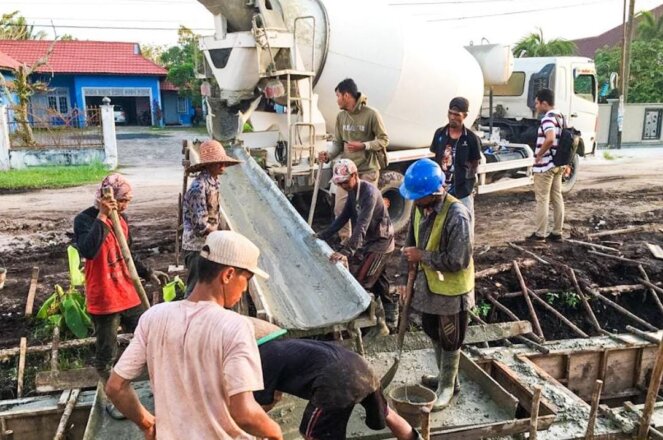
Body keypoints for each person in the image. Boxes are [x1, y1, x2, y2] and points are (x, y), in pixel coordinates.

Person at [105, 231, 283, 440]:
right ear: (228, 275)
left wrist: (146, 423)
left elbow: (115, 387)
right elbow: (244, 414)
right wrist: (276, 434)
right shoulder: (234, 326)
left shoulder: (154, 316)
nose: (244, 289)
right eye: (247, 279)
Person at [73, 174, 168, 384]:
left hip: (127, 291)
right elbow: (89, 250)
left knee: (148, 334)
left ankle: (156, 381)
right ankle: (110, 391)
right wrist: (103, 216)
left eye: (127, 201)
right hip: (105, 295)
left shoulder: (122, 219)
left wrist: (147, 272)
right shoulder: (84, 220)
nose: (124, 205)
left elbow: (127, 253)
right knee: (107, 351)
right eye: (122, 200)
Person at [398, 159, 474, 411]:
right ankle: (446, 376)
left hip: (452, 290)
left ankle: (448, 387)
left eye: (417, 196)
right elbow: (410, 244)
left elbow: (459, 260)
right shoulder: (421, 207)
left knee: (450, 337)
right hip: (429, 285)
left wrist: (422, 256)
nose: (413, 201)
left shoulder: (457, 215)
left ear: (432, 193)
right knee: (432, 329)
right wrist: (404, 278)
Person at [254, 338, 421, 440]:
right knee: (386, 413)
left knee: (312, 434)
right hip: (361, 367)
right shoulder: (274, 348)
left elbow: (258, 408)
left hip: (336, 381)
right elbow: (274, 397)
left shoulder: (258, 364)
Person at [316, 159, 396, 334]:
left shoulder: (369, 193)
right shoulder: (352, 192)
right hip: (369, 240)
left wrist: (346, 251)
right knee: (380, 281)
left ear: (354, 175)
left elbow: (361, 226)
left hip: (381, 242)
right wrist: (323, 234)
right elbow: (343, 218)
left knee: (362, 282)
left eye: (344, 182)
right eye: (339, 183)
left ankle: (371, 324)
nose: (342, 186)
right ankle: (389, 318)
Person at [317, 78, 389, 240]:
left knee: (365, 212)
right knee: (340, 209)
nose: (337, 100)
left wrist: (364, 145)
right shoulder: (341, 117)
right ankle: (346, 242)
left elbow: (384, 140)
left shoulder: (371, 114)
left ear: (347, 95)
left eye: (338, 96)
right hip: (347, 174)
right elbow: (338, 143)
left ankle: (366, 243)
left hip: (367, 171)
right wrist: (328, 155)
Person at [182, 139, 240, 295]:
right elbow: (200, 226)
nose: (222, 166)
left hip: (209, 243)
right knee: (195, 289)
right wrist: (222, 236)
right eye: (218, 163)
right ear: (208, 165)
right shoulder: (198, 187)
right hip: (197, 246)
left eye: (223, 162)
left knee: (208, 288)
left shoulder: (214, 182)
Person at [429, 97, 481, 231]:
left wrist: (468, 184)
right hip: (441, 190)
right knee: (440, 226)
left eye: (457, 115)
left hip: (462, 191)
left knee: (464, 226)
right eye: (450, 113)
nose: (452, 117)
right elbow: (435, 157)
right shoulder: (440, 133)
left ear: (465, 116)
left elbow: (475, 162)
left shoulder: (471, 138)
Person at [528, 88, 565, 242]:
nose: (536, 106)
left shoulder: (547, 119)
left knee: (542, 199)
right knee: (557, 197)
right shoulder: (560, 117)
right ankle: (557, 232)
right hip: (558, 163)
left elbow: (550, 138)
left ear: (544, 103)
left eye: (537, 103)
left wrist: (539, 155)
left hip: (546, 165)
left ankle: (540, 235)